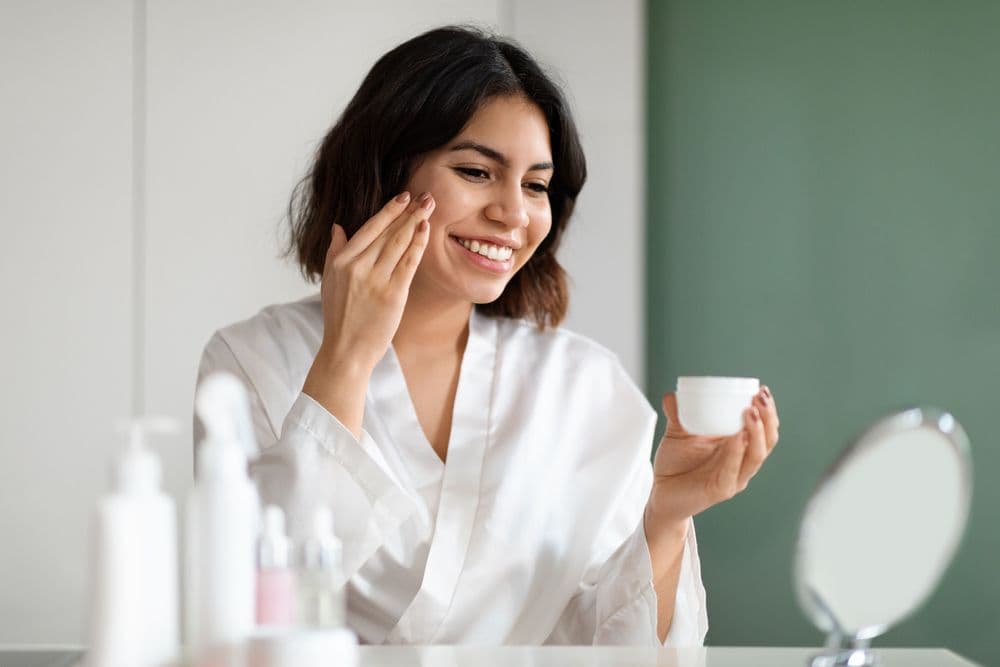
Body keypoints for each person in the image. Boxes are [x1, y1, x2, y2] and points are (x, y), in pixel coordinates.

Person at [196, 25, 780, 646]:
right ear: (385, 172)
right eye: (476, 171)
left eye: (535, 185)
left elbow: (613, 651)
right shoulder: (252, 360)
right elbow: (254, 610)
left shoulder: (586, 387)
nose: (513, 213)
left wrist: (666, 517)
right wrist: (346, 356)